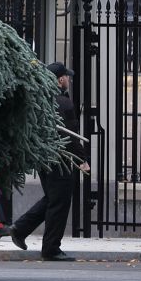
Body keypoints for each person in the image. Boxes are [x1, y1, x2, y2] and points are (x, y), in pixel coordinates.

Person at [8, 62, 90, 261]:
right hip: (60, 158)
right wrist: (83, 160)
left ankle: (20, 229)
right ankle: (51, 248)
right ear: (60, 79)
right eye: (66, 77)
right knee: (60, 201)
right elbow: (70, 136)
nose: (69, 80)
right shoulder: (63, 102)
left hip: (44, 158)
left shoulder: (43, 99)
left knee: (53, 198)